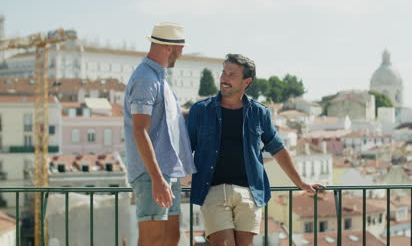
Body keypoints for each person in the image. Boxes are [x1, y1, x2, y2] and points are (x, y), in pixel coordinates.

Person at [187, 54, 325, 246]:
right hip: (213, 191)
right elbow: (184, 150)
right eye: (223, 73)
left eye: (232, 75)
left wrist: (300, 182)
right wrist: (166, 180)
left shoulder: (260, 113)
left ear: (247, 81)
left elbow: (278, 149)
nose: (224, 79)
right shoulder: (200, 110)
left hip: (249, 192)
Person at [123, 22, 196, 246]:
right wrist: (156, 178)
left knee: (171, 237)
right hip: (151, 174)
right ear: (168, 48)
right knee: (153, 241)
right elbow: (139, 129)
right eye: (180, 48)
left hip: (168, 172)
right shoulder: (145, 79)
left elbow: (169, 119)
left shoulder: (159, 78)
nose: (182, 53)